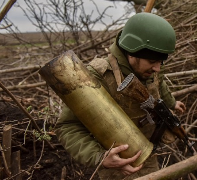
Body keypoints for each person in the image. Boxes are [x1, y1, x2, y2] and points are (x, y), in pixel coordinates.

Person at [55, 12, 186, 179]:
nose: (157, 68)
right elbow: (67, 127)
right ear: (132, 52)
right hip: (117, 168)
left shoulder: (149, 68)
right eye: (153, 62)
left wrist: (172, 102)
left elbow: (158, 83)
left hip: (149, 155)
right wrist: (99, 156)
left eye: (161, 62)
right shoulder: (94, 78)